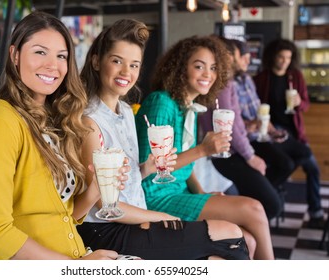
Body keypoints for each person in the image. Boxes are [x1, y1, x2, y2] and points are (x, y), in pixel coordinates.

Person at [76, 19, 249, 260]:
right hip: (108, 230)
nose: (127, 72)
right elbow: (104, 205)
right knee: (231, 235)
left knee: (219, 257)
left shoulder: (125, 110)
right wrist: (162, 217)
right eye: (117, 61)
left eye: (134, 65)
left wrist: (146, 168)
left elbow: (128, 181)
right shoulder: (90, 121)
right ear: (96, 61)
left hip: (136, 218)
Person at [0, 11, 125, 260]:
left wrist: (97, 187)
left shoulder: (52, 122)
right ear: (15, 55)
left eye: (61, 56)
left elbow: (64, 216)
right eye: (40, 52)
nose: (53, 65)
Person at [135, 35, 274, 260]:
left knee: (248, 239)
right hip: (156, 197)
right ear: (180, 68)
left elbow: (185, 167)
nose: (208, 74)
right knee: (254, 209)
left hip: (180, 193)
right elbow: (156, 167)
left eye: (213, 68)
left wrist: (200, 193)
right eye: (199, 66)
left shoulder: (188, 107)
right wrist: (202, 150)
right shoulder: (162, 102)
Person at [201, 38, 295, 221]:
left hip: (231, 150)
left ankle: (241, 239)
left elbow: (234, 123)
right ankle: (238, 240)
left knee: (264, 199)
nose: (245, 60)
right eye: (239, 55)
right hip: (228, 154)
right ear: (228, 57)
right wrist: (250, 156)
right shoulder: (223, 84)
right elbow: (230, 127)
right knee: (272, 204)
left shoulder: (227, 83)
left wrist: (251, 128)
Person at [254, 38, 325, 228]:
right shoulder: (262, 78)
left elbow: (306, 105)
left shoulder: (296, 77)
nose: (284, 61)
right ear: (273, 57)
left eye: (288, 57)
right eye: (281, 57)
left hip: (296, 133)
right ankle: (269, 194)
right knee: (286, 163)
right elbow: (256, 108)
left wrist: (299, 103)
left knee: (313, 169)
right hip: (274, 132)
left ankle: (315, 212)